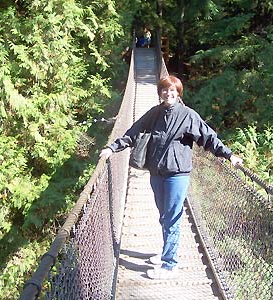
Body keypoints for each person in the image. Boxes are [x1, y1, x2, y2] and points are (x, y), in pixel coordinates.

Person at [99, 75, 243, 280]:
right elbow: (133, 132)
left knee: (172, 217)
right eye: (165, 90)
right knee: (163, 215)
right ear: (160, 93)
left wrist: (229, 155)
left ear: (178, 93)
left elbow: (209, 138)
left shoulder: (188, 115)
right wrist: (113, 148)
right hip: (157, 173)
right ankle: (167, 251)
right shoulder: (154, 113)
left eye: (173, 90)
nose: (169, 93)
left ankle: (169, 264)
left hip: (177, 174)